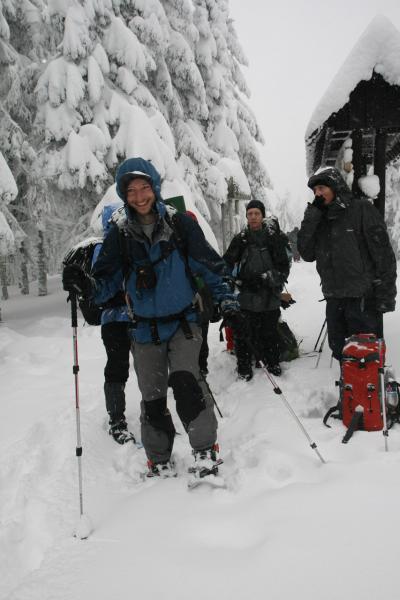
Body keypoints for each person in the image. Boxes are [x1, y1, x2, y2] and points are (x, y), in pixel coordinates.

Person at [62, 157, 240, 477]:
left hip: (184, 323)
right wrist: (85, 285)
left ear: (155, 187)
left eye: (144, 187)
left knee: (187, 383)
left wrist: (226, 297)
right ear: (124, 194)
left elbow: (208, 265)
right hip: (144, 328)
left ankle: (204, 450)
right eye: (131, 191)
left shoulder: (180, 224)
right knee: (153, 396)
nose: (139, 196)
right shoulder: (120, 234)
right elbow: (106, 284)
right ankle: (158, 459)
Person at [297, 166, 397, 360]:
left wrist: (386, 295)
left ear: (335, 187)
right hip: (334, 298)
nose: (317, 194)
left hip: (363, 299)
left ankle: (372, 381)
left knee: (367, 356)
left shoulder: (361, 209)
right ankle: (348, 380)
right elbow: (306, 253)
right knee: (341, 353)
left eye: (321, 188)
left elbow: (383, 254)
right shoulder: (319, 218)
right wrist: (312, 215)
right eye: (315, 190)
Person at [223, 200, 291, 381]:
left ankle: (272, 362)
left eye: (256, 213)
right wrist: (232, 283)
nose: (253, 217)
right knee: (244, 333)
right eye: (250, 214)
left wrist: (266, 279)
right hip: (246, 295)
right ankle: (244, 366)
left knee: (270, 331)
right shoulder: (241, 239)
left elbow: (284, 267)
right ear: (246, 216)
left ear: (262, 216)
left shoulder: (273, 239)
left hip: (270, 295)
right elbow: (226, 264)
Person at [93, 203, 135, 445]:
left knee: (145, 367)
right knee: (118, 368)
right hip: (114, 318)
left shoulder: (133, 243)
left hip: (133, 317)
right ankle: (117, 420)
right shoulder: (104, 248)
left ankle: (144, 416)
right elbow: (100, 286)